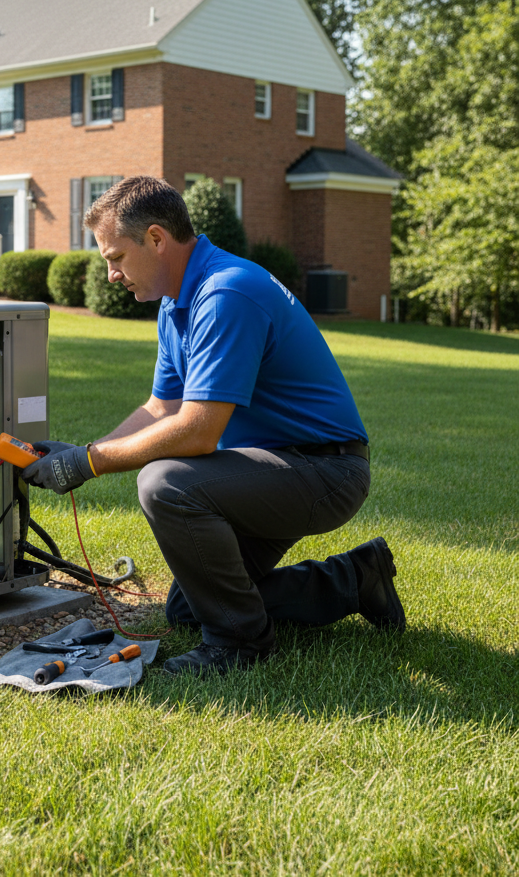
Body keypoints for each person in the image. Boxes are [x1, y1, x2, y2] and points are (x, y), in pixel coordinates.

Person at [21, 175, 405, 676]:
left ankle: (239, 645)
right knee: (188, 608)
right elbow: (162, 407)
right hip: (274, 468)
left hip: (323, 471)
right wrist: (80, 451)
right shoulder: (178, 301)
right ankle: (356, 578)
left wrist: (87, 463)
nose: (112, 273)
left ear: (156, 239)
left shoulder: (226, 293)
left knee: (166, 483)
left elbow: (198, 431)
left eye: (115, 258)